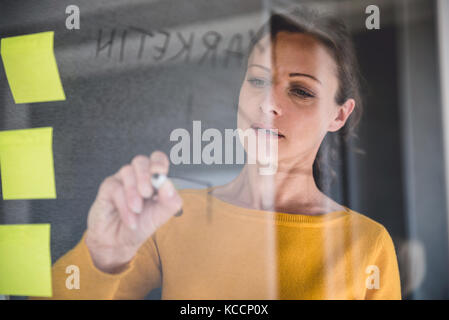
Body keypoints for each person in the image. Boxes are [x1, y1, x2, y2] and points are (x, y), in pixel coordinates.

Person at [36, 8, 401, 300]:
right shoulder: (170, 216)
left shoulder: (367, 244)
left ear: (338, 114)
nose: (268, 103)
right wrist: (101, 256)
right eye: (257, 80)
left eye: (301, 91)